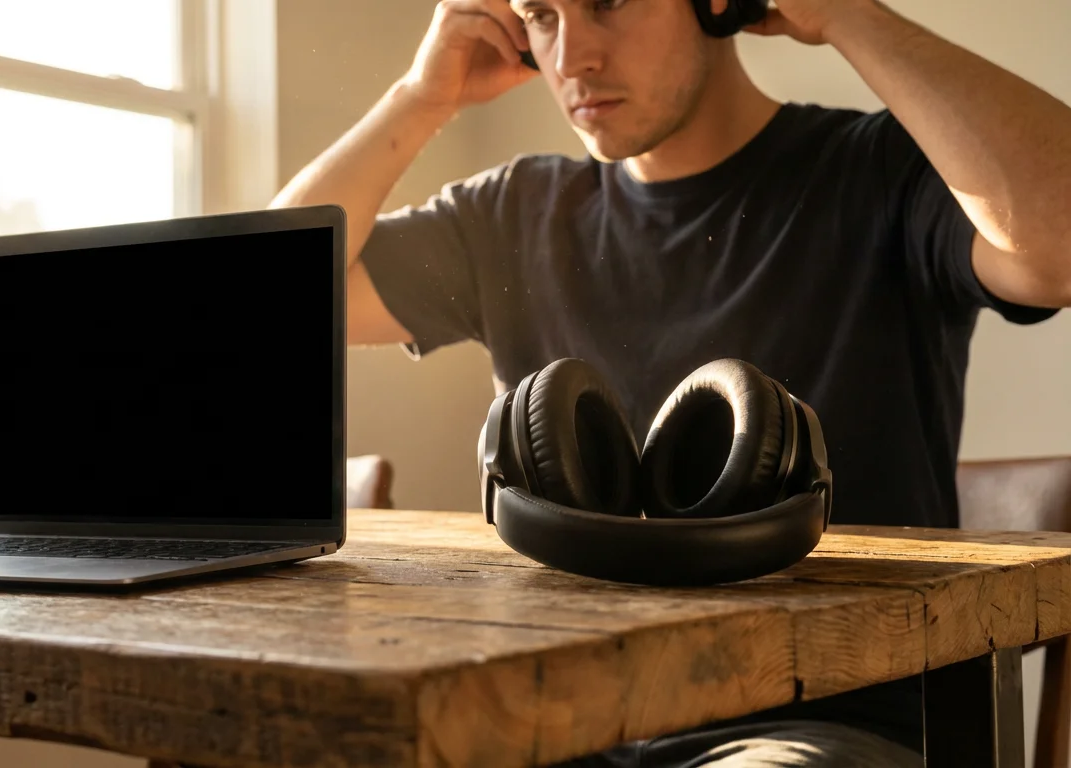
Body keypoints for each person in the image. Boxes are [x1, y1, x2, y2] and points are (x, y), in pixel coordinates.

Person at [271, 0, 1071, 764]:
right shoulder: (513, 214)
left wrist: (849, 17)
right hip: (560, 720)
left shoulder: (880, 174)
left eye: (609, 3)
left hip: (824, 722)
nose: (570, 56)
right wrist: (419, 98)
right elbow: (267, 301)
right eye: (541, 17)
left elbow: (1058, 246)